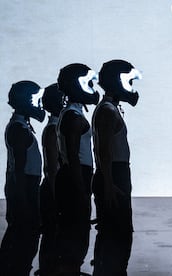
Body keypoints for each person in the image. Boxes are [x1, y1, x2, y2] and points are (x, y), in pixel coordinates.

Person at [91, 59, 142, 275]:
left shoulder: (108, 109)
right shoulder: (107, 111)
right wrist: (110, 185)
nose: (132, 87)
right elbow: (104, 151)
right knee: (118, 236)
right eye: (129, 81)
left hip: (113, 176)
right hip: (113, 177)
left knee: (114, 235)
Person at [55, 63, 99, 274]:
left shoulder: (70, 113)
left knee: (75, 231)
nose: (92, 87)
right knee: (76, 232)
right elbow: (72, 155)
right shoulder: (72, 117)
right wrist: (81, 189)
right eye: (87, 82)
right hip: (75, 176)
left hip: (74, 175)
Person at [0, 81, 45, 275]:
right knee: (22, 231)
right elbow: (18, 169)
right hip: (24, 185)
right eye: (35, 99)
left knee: (20, 230)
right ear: (25, 100)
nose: (39, 104)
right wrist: (24, 199)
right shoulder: (19, 129)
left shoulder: (20, 126)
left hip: (24, 184)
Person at [38, 83, 64, 275]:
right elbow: (52, 168)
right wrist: (58, 197)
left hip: (53, 188)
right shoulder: (53, 129)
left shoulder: (53, 128)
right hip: (53, 190)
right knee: (52, 236)